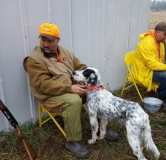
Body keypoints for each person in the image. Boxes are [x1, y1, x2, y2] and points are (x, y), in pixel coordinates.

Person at [23, 23, 119, 159]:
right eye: (43, 40)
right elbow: (42, 85)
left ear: (58, 40)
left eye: (49, 41)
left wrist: (84, 80)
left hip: (72, 87)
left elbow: (81, 66)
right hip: (49, 96)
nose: (45, 44)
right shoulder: (33, 59)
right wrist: (69, 88)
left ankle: (101, 129)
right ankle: (72, 141)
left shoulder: (64, 52)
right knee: (73, 101)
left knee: (99, 91)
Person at [131, 21, 166, 108]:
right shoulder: (147, 43)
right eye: (165, 34)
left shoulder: (159, 42)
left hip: (151, 68)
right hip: (144, 71)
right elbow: (151, 64)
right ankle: (160, 98)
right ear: (157, 32)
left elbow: (158, 57)